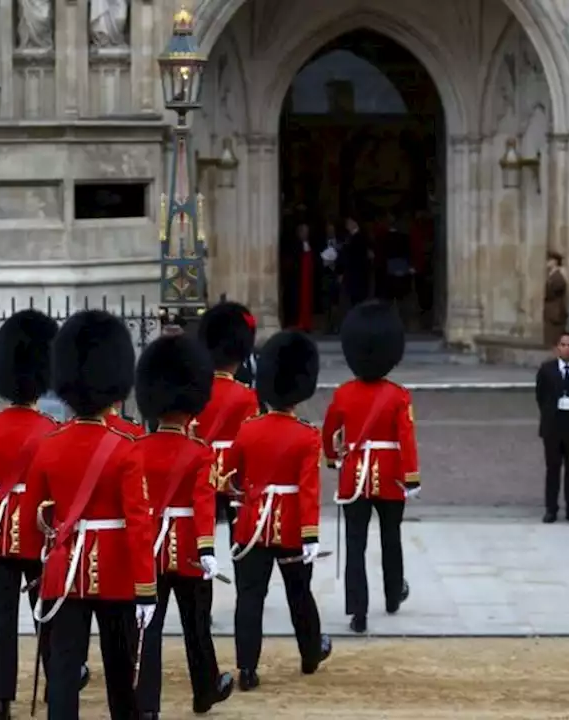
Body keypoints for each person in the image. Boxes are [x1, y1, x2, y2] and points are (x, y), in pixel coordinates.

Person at [24, 309, 158, 720]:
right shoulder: (125, 447)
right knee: (120, 673)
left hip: (65, 570)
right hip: (117, 569)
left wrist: (36, 574)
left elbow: (34, 516)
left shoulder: (49, 445)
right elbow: (138, 523)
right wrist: (146, 587)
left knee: (63, 671)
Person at [0, 309, 88, 720]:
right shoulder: (51, 428)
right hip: (38, 533)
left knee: (1, 618)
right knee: (47, 613)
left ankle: (0, 700)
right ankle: (58, 684)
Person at [132, 334, 235, 719]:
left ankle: (147, 705)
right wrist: (207, 550)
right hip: (191, 552)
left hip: (150, 552)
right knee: (196, 627)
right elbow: (203, 503)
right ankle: (204, 691)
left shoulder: (137, 450)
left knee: (149, 629)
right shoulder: (199, 453)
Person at [228, 330, 332, 692]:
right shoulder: (307, 435)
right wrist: (310, 535)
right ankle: (309, 653)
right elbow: (308, 490)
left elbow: (233, 478)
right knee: (299, 592)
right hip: (289, 525)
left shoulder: (248, 430)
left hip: (252, 524)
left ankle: (247, 669)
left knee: (250, 596)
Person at [321, 301, 419, 634]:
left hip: (354, 476)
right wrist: (412, 477)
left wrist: (333, 459)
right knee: (392, 537)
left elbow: (330, 432)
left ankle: (358, 611)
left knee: (355, 544)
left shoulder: (343, 393)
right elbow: (406, 439)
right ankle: (392, 595)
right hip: (390, 474)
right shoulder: (398, 395)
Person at [195, 302, 261, 541]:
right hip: (236, 472)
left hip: (202, 470)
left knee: (201, 538)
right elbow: (252, 440)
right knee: (240, 539)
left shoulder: (198, 392)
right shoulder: (246, 396)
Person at [534, 331, 569, 524]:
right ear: (557, 348)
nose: (566, 348)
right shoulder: (547, 369)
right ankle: (551, 509)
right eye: (563, 345)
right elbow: (541, 396)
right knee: (553, 469)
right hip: (553, 428)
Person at [338, 217, 373, 309]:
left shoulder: (359, 238)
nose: (347, 224)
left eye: (349, 222)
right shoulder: (350, 237)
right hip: (354, 275)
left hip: (357, 276)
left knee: (357, 302)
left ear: (355, 223)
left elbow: (355, 258)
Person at [543, 251, 568, 347]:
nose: (547, 263)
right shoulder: (552, 275)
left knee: (555, 339)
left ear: (554, 262)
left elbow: (556, 290)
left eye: (549, 260)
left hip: (555, 313)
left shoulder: (557, 276)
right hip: (552, 312)